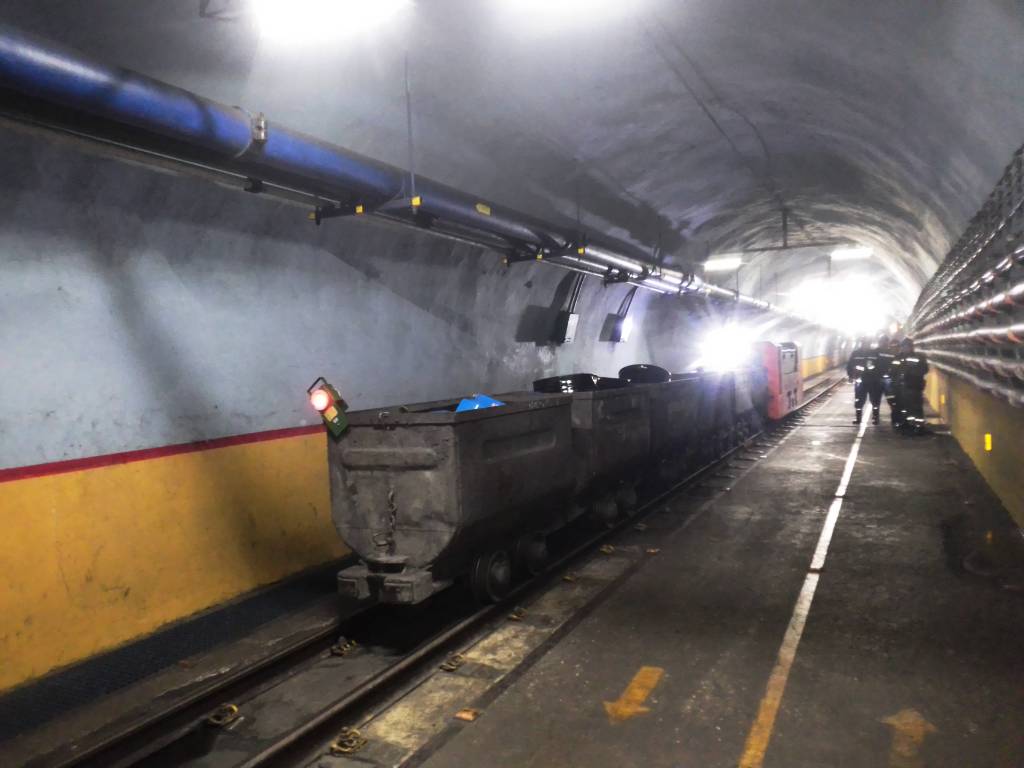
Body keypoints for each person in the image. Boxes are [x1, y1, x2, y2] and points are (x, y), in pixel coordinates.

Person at [892, 338, 929, 433]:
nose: (905, 348)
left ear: (911, 347)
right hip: (902, 386)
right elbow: (893, 370)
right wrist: (895, 381)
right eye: (903, 346)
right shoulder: (898, 357)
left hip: (914, 385)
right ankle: (907, 423)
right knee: (904, 406)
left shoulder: (918, 357)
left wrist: (912, 373)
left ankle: (919, 426)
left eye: (907, 346)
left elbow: (924, 369)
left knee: (916, 406)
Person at [846, 339, 883, 424]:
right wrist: (850, 375)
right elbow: (850, 365)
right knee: (859, 400)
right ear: (861, 344)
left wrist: (876, 374)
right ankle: (858, 419)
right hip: (860, 380)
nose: (866, 345)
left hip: (872, 381)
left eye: (867, 343)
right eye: (864, 343)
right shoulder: (856, 353)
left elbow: (879, 365)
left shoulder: (874, 353)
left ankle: (875, 418)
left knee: (875, 400)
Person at [876, 335, 900, 426]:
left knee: (891, 399)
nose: (884, 343)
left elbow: (895, 364)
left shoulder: (891, 352)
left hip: (888, 379)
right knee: (876, 399)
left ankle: (895, 418)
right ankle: (875, 416)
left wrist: (893, 373)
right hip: (878, 379)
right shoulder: (875, 352)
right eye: (883, 341)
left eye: (885, 341)